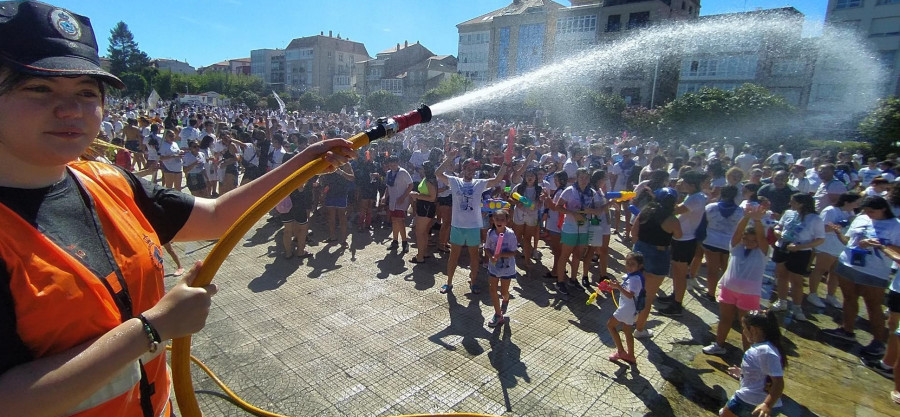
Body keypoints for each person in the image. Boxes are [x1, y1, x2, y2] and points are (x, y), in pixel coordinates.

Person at [0, 3, 355, 414]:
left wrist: (302, 161)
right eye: (39, 89)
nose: (71, 110)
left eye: (86, 92)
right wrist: (153, 329)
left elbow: (218, 217)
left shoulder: (111, 182)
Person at [824, 196, 900, 358]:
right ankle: (847, 329)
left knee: (873, 306)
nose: (868, 214)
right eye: (866, 211)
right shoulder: (861, 218)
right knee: (849, 298)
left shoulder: (896, 226)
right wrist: (838, 233)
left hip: (874, 272)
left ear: (883, 209)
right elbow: (848, 241)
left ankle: (879, 341)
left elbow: (897, 252)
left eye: (872, 211)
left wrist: (879, 244)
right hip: (848, 264)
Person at [436, 150, 507, 294]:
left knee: (474, 257)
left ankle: (473, 282)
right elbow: (438, 173)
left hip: (473, 227)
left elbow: (498, 179)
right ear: (463, 169)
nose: (471, 172)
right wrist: (449, 158)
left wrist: (505, 163)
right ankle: (448, 283)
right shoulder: (454, 181)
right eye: (468, 169)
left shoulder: (480, 183)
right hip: (457, 226)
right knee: (453, 257)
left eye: (473, 170)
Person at [703, 205, 769, 356]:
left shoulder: (763, 253)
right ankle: (719, 344)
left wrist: (757, 221)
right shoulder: (736, 248)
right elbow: (737, 233)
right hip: (728, 289)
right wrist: (746, 217)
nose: (748, 242)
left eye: (753, 240)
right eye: (746, 239)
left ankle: (748, 355)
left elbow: (762, 238)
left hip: (749, 294)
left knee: (747, 324)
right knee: (725, 318)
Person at [631, 187, 682, 339]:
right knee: (648, 296)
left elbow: (634, 233)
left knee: (635, 290)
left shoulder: (645, 212)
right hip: (658, 255)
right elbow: (679, 235)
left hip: (640, 252)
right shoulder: (672, 219)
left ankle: (630, 319)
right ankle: (639, 329)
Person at [721, 310, 786, 417]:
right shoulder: (764, 348)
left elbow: (778, 383)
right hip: (753, 399)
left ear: (753, 329)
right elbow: (764, 373)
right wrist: (743, 373)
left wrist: (767, 405)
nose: (743, 331)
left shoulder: (765, 351)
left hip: (751, 400)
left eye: (744, 328)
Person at [770, 194, 824, 321]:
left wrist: (801, 246)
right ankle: (782, 301)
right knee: (781, 275)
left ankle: (797, 306)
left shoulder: (815, 219)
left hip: (800, 251)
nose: (790, 204)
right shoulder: (788, 213)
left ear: (802, 204)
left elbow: (820, 239)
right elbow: (779, 226)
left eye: (793, 202)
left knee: (796, 281)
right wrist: (777, 231)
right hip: (782, 247)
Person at [806, 193, 861, 309]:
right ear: (847, 202)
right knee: (820, 269)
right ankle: (812, 294)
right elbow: (822, 228)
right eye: (856, 202)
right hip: (827, 245)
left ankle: (830, 295)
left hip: (840, 247)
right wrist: (842, 223)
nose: (858, 204)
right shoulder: (830, 211)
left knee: (835, 273)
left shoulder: (850, 213)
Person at [702, 185, 745, 301]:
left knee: (712, 270)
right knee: (728, 270)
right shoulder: (740, 211)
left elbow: (703, 224)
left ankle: (710, 293)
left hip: (711, 241)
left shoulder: (711, 207)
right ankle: (727, 295)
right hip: (730, 244)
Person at [606, 252, 645, 365]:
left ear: (640, 266)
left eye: (632, 264)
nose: (629, 266)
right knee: (627, 330)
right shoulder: (636, 276)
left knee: (610, 325)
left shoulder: (634, 279)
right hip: (631, 309)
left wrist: (618, 287)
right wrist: (615, 286)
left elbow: (630, 294)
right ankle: (631, 355)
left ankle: (621, 351)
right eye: (627, 263)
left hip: (626, 309)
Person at [484, 209, 518, 328]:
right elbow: (487, 248)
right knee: (492, 289)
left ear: (507, 221)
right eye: (496, 219)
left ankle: (506, 299)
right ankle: (498, 314)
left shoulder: (510, 234)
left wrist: (501, 255)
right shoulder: (490, 233)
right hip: (493, 266)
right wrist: (491, 257)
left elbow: (514, 252)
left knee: (503, 291)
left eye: (502, 219)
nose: (499, 222)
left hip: (506, 267)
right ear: (493, 220)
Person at [381, 155, 413, 252]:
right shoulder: (389, 173)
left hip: (401, 201)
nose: (393, 167)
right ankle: (395, 241)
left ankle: (404, 242)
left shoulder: (403, 172)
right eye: (391, 165)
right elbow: (388, 187)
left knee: (400, 221)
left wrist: (403, 197)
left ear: (398, 163)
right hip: (393, 201)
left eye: (395, 165)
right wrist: (384, 196)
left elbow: (411, 185)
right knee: (394, 220)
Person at [409, 161, 438, 263]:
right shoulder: (428, 179)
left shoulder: (429, 181)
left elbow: (432, 197)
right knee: (424, 232)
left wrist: (416, 195)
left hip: (426, 208)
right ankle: (423, 253)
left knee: (420, 233)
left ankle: (420, 257)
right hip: (425, 208)